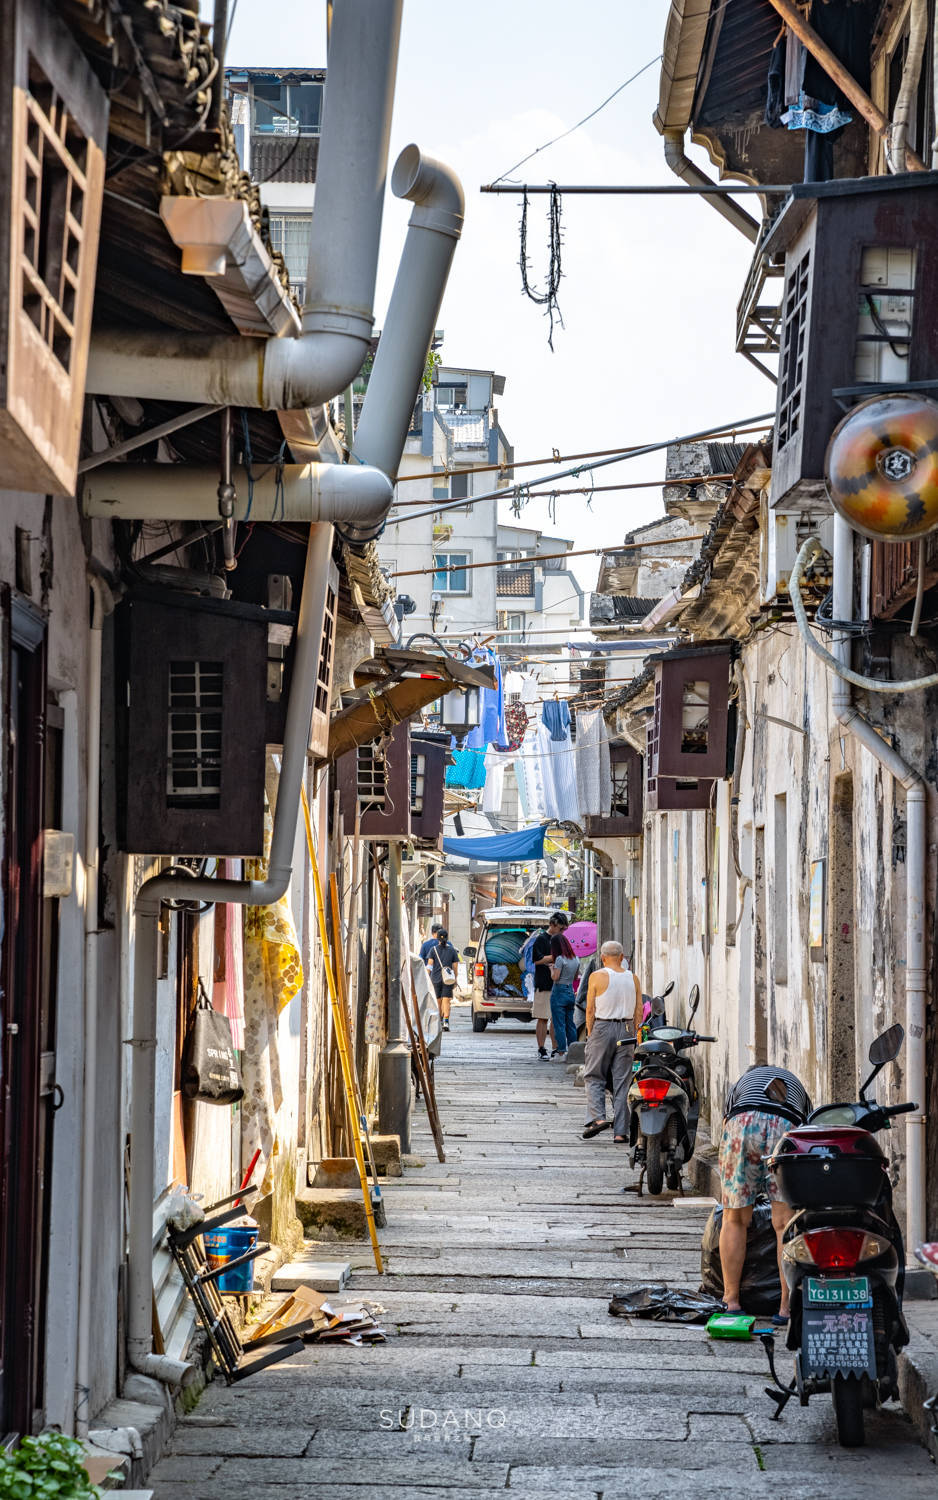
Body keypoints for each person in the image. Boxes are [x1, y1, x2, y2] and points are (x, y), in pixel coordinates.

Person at [718, 1064, 812, 1322]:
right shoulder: (794, 1082)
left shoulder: (742, 1082)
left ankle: (731, 1301)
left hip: (741, 1123)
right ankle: (786, 1307)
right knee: (784, 1224)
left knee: (734, 1219)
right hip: (785, 1126)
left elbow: (727, 1121)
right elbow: (807, 1127)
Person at [581, 941, 643, 1141]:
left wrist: (590, 1033)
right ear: (622, 956)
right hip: (626, 1029)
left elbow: (590, 1008)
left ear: (602, 957)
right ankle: (621, 1132)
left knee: (594, 1075)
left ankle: (598, 1118)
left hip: (603, 1027)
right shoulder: (633, 978)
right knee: (623, 1080)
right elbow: (639, 1010)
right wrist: (635, 1035)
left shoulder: (597, 976)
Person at [529, 913, 569, 1059]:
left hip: (558, 982)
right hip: (544, 983)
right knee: (542, 1017)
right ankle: (541, 1048)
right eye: (560, 928)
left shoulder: (562, 940)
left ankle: (555, 1047)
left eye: (564, 929)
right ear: (552, 924)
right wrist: (554, 957)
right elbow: (536, 959)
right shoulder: (541, 939)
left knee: (555, 1018)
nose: (562, 932)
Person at [548, 929, 579, 1061]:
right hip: (570, 991)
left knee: (559, 1023)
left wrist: (551, 968)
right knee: (570, 1023)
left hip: (559, 991)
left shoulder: (560, 959)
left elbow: (555, 977)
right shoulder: (576, 959)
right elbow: (576, 977)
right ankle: (573, 1050)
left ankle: (561, 1052)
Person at [427, 927, 459, 1032]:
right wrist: (455, 978)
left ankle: (439, 1021)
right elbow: (455, 967)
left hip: (435, 978)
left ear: (437, 938)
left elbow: (430, 966)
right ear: (447, 937)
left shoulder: (433, 950)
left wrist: (427, 977)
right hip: (448, 979)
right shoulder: (452, 950)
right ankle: (446, 1021)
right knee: (446, 1001)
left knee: (438, 1001)